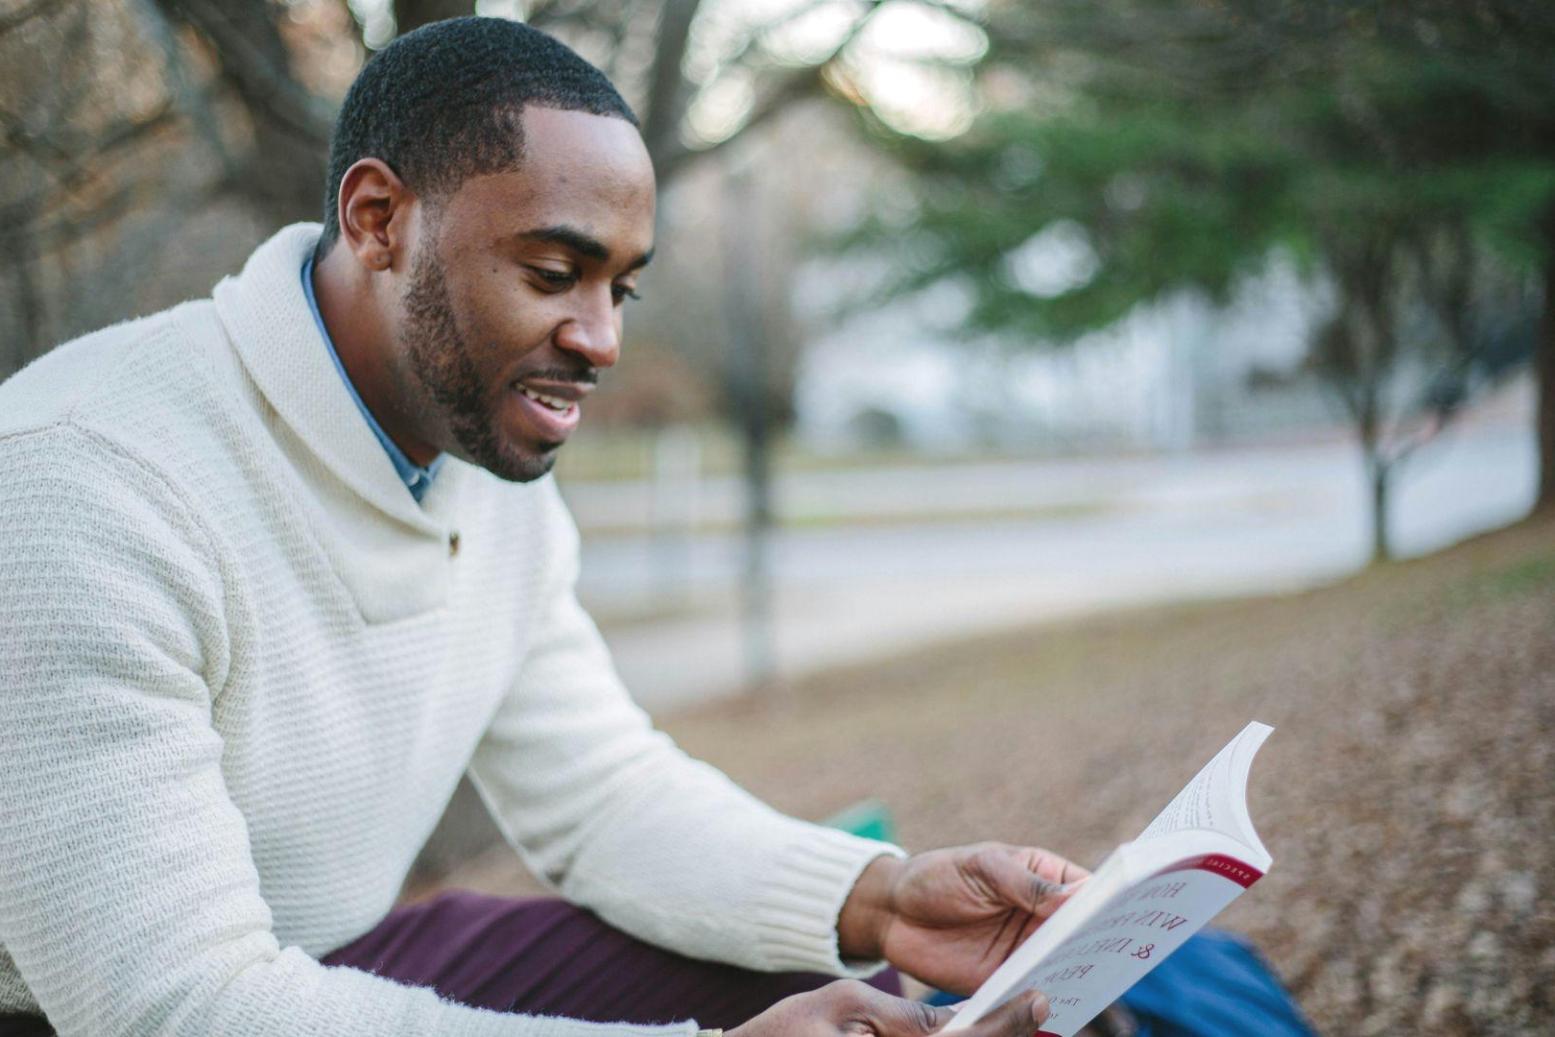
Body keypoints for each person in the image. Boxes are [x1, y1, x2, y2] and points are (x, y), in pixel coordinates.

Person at [0, 17, 1083, 1037]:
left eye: (622, 288)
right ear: (378, 219)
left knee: (824, 979)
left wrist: (881, 896)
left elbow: (602, 794)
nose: (601, 338)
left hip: (324, 956)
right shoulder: (85, 487)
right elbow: (176, 1007)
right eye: (555, 273)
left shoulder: (476, 459)